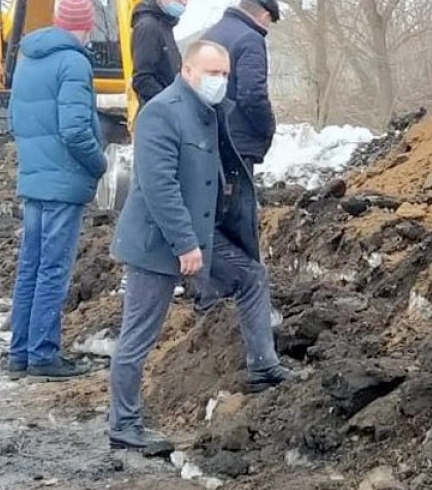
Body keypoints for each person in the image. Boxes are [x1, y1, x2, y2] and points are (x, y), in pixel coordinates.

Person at [105, 40, 296, 452]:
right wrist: (185, 243)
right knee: (138, 335)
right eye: (213, 73)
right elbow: (159, 186)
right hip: (158, 243)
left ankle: (263, 366)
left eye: (226, 74)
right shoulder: (161, 114)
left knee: (250, 276)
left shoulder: (209, 113)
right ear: (188, 72)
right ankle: (124, 424)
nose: (220, 81)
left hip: (200, 237)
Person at [6, 0, 107, 381]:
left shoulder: (28, 58)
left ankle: (20, 353)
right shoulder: (74, 63)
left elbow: (14, 121)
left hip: (34, 178)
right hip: (64, 183)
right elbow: (76, 130)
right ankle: (44, 355)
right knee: (53, 268)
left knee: (30, 266)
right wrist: (99, 165)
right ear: (87, 26)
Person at [201, 0, 281, 176]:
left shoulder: (210, 35)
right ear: (264, 14)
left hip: (207, 135)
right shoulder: (250, 39)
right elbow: (252, 94)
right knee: (238, 201)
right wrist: (267, 128)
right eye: (270, 21)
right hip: (237, 140)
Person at [129, 0, 192, 106]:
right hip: (159, 113)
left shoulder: (165, 25)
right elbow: (143, 78)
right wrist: (171, 104)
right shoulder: (148, 27)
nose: (184, 1)